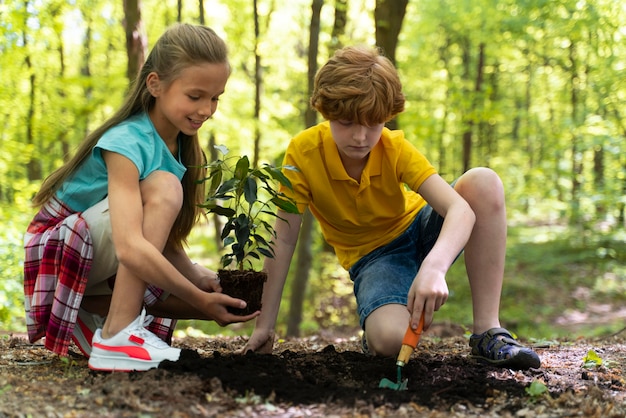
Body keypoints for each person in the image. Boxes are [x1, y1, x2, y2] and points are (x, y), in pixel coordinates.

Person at [244, 45, 541, 370]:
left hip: (422, 227)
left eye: (373, 124)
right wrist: (264, 326)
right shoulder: (302, 154)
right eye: (345, 122)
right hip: (375, 258)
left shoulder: (393, 147)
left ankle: (488, 332)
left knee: (483, 182)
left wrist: (434, 267)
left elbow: (462, 210)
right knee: (390, 341)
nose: (360, 136)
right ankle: (376, 327)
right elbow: (283, 240)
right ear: (325, 112)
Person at [23, 23, 259, 372]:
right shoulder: (127, 142)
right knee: (165, 187)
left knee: (210, 301)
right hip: (60, 251)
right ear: (155, 85)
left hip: (98, 255)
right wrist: (195, 293)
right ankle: (117, 333)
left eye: (215, 98)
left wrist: (199, 280)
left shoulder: (178, 146)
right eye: (195, 96)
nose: (207, 109)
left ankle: (106, 323)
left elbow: (154, 237)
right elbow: (131, 246)